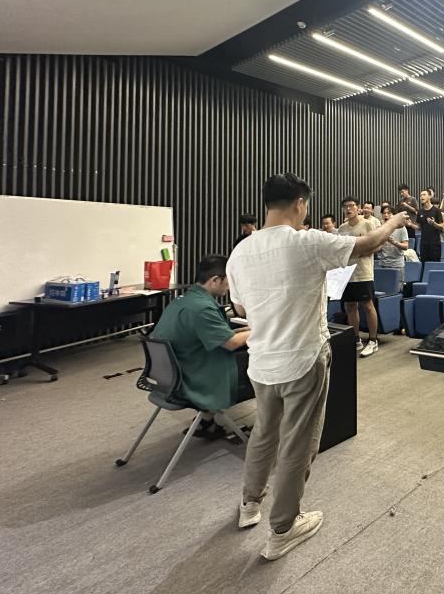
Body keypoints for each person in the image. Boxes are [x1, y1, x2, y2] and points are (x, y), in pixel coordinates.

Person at [227, 173, 407, 560]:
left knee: (264, 433)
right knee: (297, 444)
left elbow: (240, 307)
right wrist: (394, 221)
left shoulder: (240, 251)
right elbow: (368, 244)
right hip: (302, 359)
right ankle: (283, 527)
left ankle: (249, 504)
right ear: (299, 203)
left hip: (261, 362)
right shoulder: (305, 242)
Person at [152, 255, 253, 438]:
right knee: (264, 365)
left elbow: (215, 335)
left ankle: (207, 421)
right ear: (215, 280)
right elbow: (231, 343)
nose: (231, 287)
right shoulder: (202, 308)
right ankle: (267, 429)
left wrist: (244, 330)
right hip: (191, 378)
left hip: (171, 375)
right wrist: (262, 329)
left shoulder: (185, 300)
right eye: (229, 281)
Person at [337, 197, 382, 357]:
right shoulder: (342, 228)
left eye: (351, 206)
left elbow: (378, 245)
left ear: (358, 208)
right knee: (350, 306)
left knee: (368, 305)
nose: (348, 209)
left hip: (363, 272)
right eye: (345, 207)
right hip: (347, 272)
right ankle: (356, 339)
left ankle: (373, 340)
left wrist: (361, 252)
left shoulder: (367, 224)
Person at [378, 204, 409, 293]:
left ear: (394, 215)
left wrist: (394, 242)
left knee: (397, 292)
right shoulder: (380, 228)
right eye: (384, 213)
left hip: (397, 265)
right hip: (384, 264)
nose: (386, 215)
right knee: (384, 291)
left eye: (389, 213)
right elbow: (378, 249)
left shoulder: (401, 228)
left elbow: (406, 246)